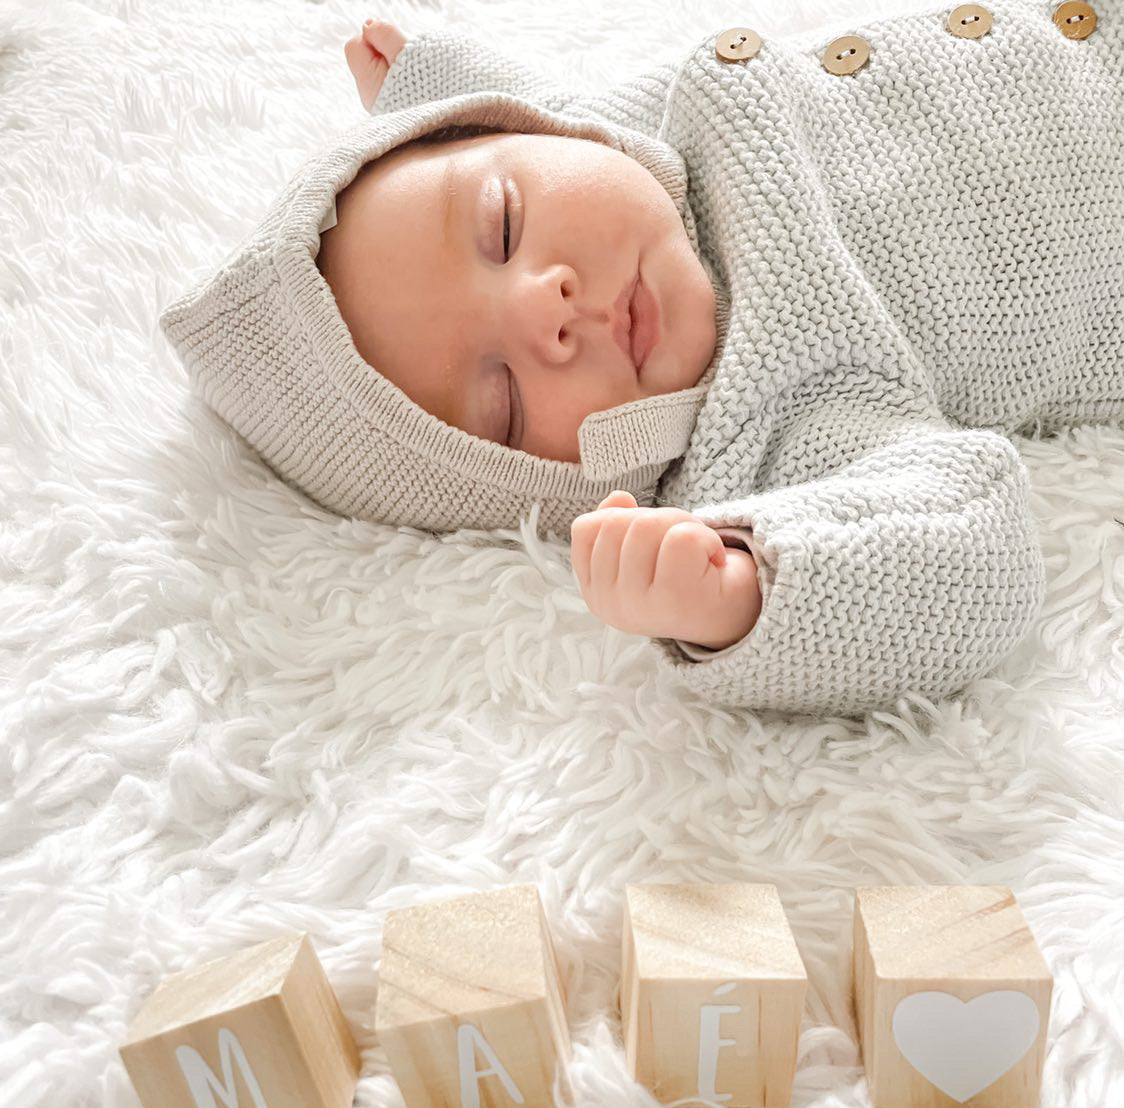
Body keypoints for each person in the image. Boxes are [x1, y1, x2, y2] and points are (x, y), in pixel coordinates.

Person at [159, 3, 1123, 717]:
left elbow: (520, 107)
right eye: (500, 400)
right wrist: (747, 591)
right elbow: (973, 550)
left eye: (501, 224)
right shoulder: (774, 423)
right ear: (535, 482)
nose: (548, 309)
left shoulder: (638, 134)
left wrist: (422, 88)